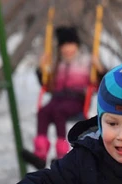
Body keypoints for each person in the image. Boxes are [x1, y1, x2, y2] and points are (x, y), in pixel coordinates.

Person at [23, 25, 103, 170]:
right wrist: (42, 69)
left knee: (58, 111)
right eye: (64, 46)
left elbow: (101, 83)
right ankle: (40, 155)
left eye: (70, 45)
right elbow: (47, 85)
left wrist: (100, 69)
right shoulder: (57, 63)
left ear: (76, 45)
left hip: (76, 100)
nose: (67, 49)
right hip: (57, 98)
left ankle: (61, 154)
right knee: (43, 112)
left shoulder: (86, 61)